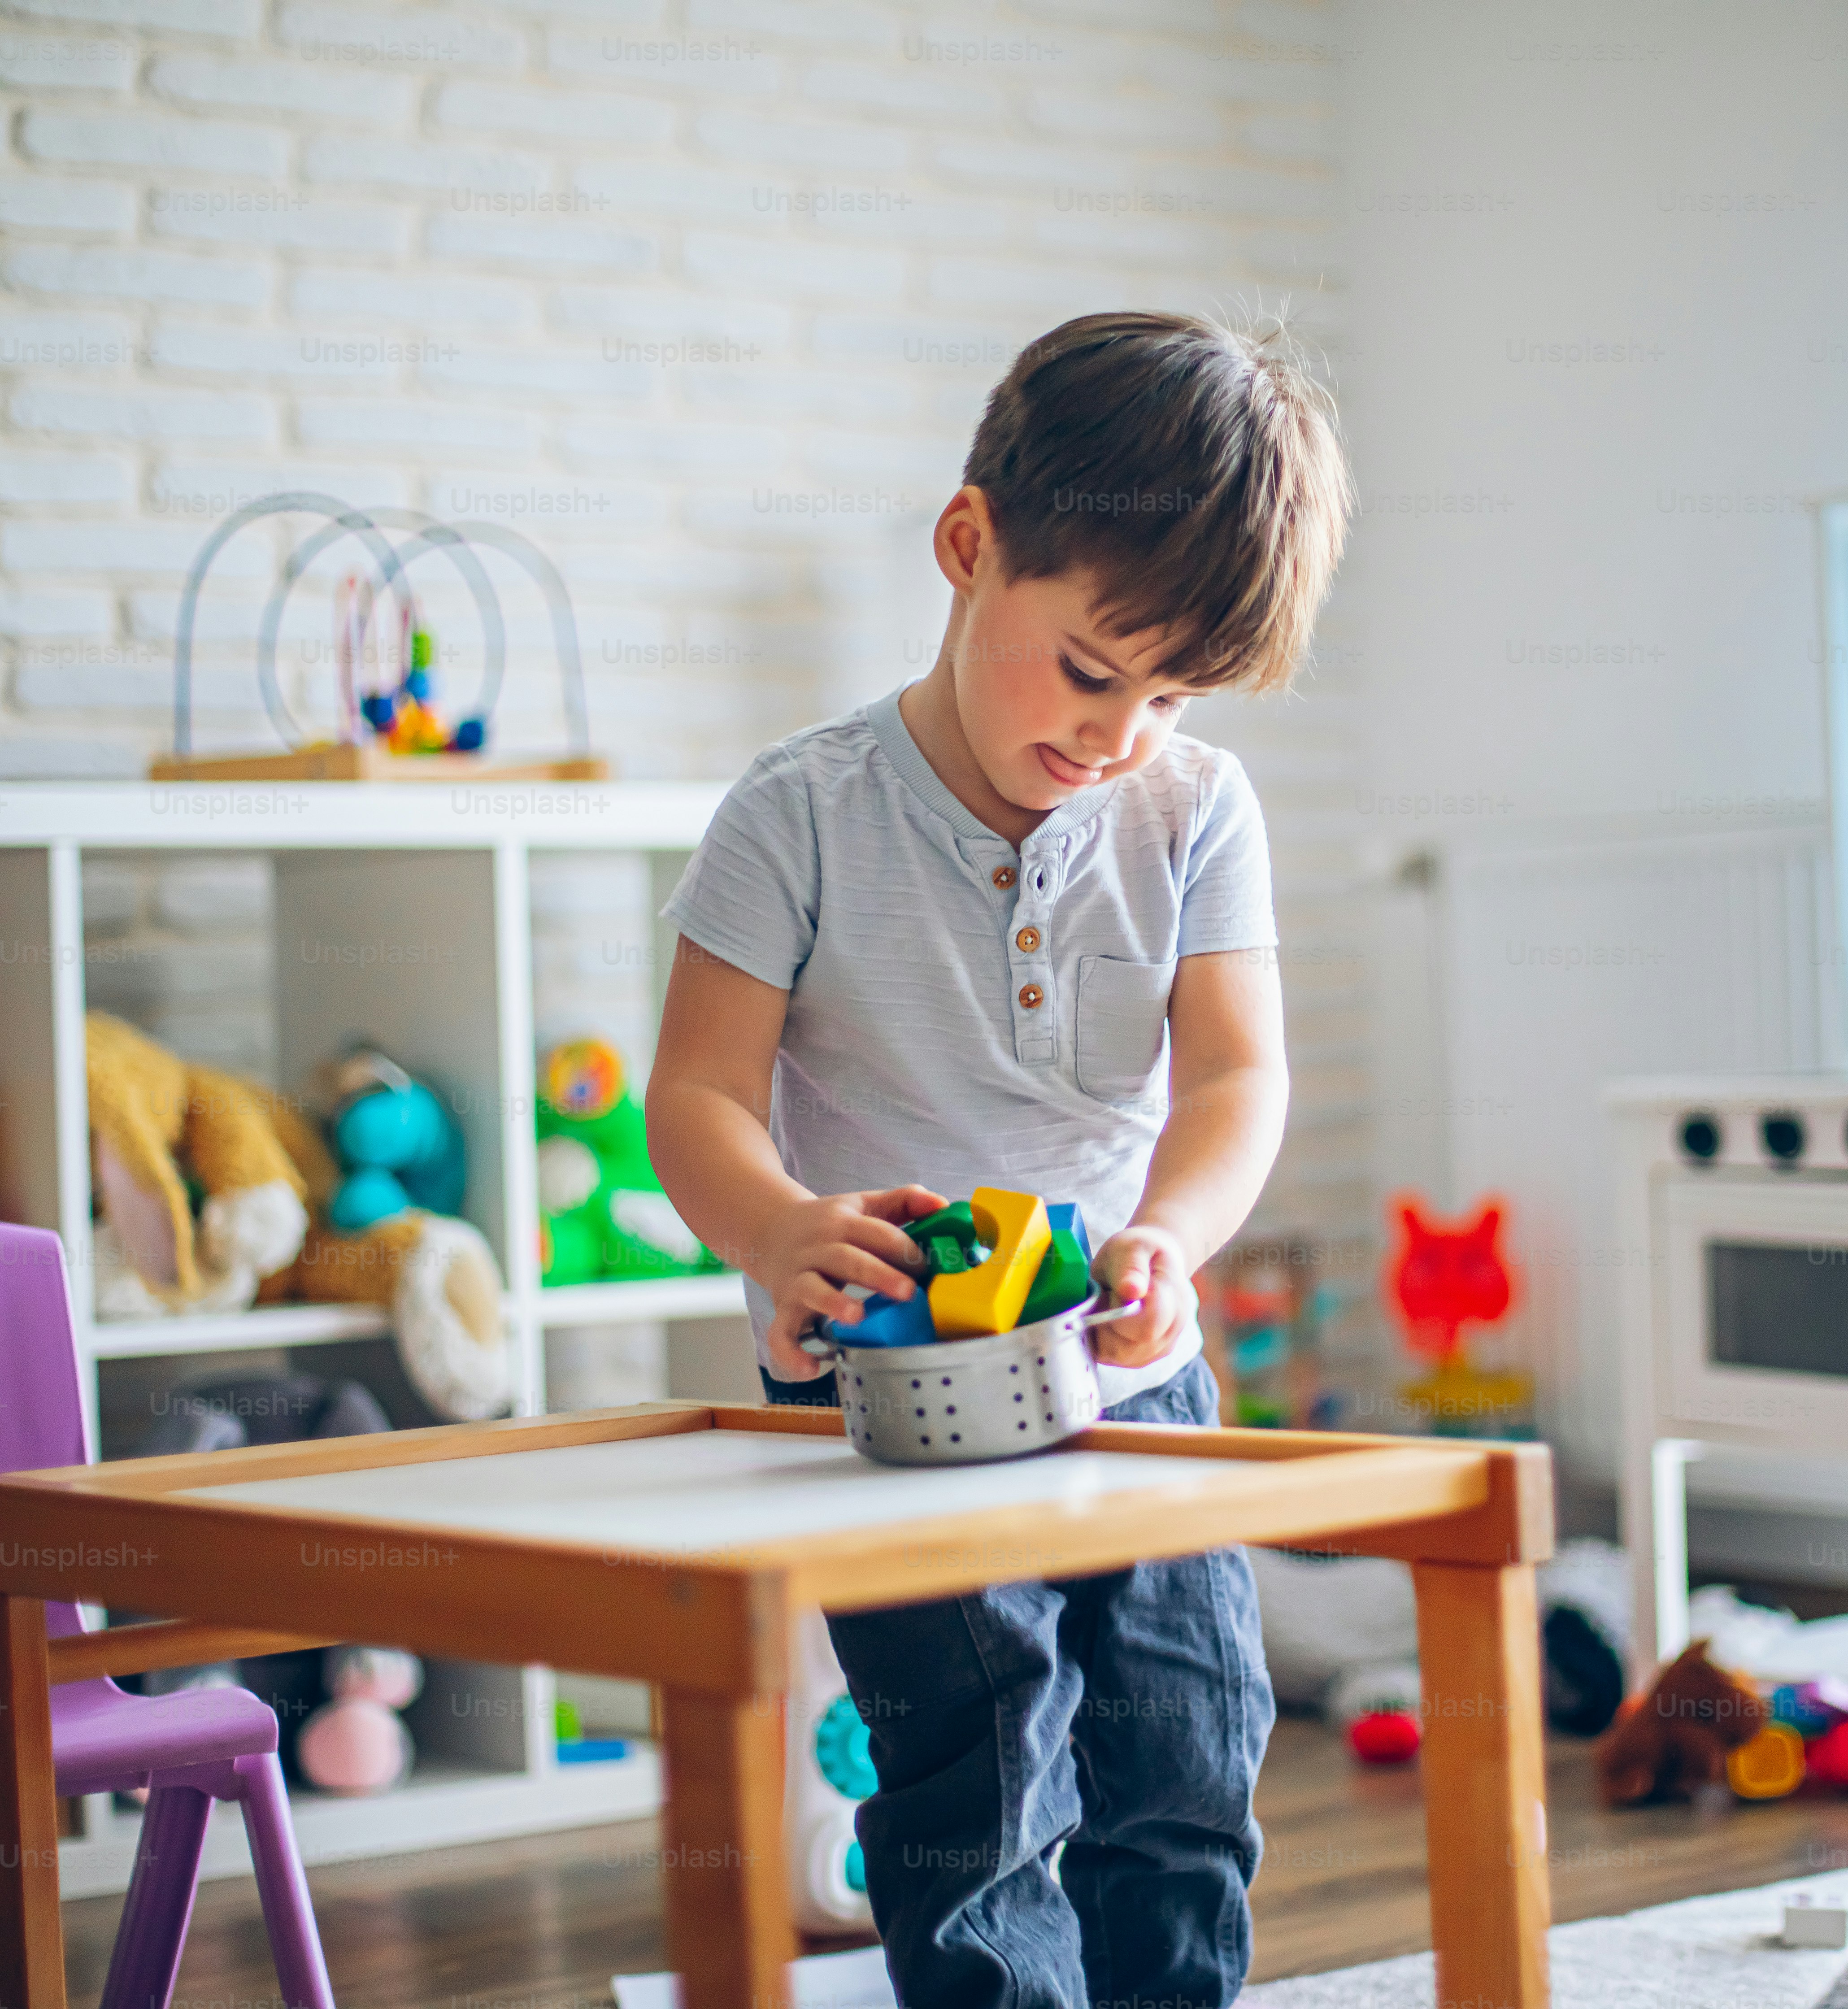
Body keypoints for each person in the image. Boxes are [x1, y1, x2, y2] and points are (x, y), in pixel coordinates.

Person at [646, 308, 1352, 2008]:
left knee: (1189, 1743)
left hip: (1126, 1359)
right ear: (969, 549)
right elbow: (695, 1098)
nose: (1122, 733)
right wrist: (781, 1230)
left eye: (1172, 691)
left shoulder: (1197, 811)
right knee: (980, 1776)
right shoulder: (800, 811)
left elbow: (1238, 1076)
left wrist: (1173, 1239)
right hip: (897, 1383)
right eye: (1093, 671)